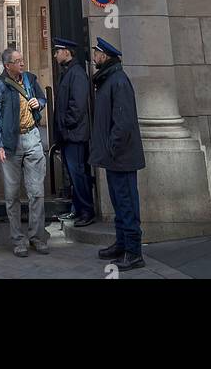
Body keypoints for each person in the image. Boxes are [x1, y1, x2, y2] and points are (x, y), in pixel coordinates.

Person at [0, 46, 49, 257]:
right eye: (18, 61)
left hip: (32, 138)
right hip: (10, 143)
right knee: (12, 195)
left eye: (22, 60)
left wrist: (38, 103)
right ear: (7, 65)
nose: (22, 63)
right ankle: (18, 240)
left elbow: (43, 99)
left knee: (37, 193)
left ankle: (37, 237)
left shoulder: (30, 79)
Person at [90, 37, 145, 270]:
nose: (94, 57)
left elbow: (122, 122)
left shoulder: (118, 81)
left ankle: (133, 252)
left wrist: (112, 147)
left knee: (127, 203)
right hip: (115, 157)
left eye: (96, 53)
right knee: (118, 202)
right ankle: (122, 243)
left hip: (121, 156)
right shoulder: (109, 79)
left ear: (105, 56)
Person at [52, 38, 96, 227]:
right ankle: (77, 209)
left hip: (75, 134)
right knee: (73, 173)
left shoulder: (76, 73)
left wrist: (66, 125)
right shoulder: (69, 72)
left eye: (57, 51)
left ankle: (86, 211)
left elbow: (77, 106)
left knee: (78, 173)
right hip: (70, 134)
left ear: (67, 52)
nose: (54, 55)